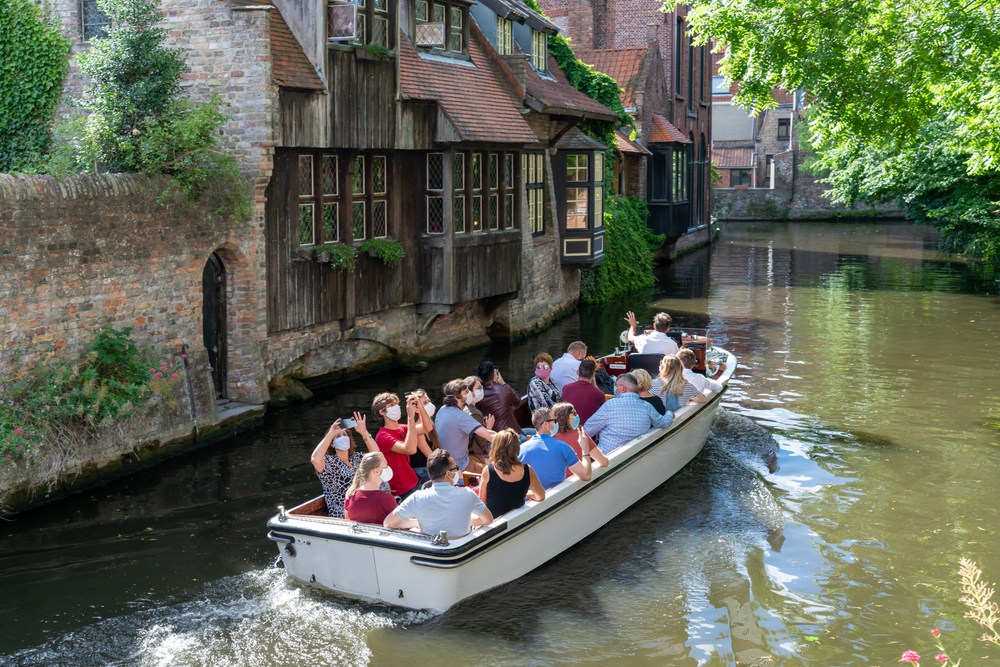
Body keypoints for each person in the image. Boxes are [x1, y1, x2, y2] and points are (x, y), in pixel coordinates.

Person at [384, 449, 494, 536]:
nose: (457, 470)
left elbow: (388, 523)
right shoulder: (468, 494)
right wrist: (460, 520)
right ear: (448, 474)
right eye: (455, 468)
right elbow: (488, 520)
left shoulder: (417, 498)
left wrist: (418, 523)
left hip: (431, 554)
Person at [584, 373, 674, 454]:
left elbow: (587, 430)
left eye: (616, 385)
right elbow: (663, 422)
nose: (614, 388)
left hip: (608, 455)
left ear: (623, 388)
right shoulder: (647, 406)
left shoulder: (610, 405)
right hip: (636, 453)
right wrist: (669, 413)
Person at [310, 411, 380, 517]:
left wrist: (364, 432)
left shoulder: (357, 458)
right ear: (332, 444)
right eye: (337, 436)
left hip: (367, 506)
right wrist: (330, 434)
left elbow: (377, 457)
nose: (342, 438)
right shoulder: (329, 462)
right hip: (344, 515)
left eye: (344, 434)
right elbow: (315, 459)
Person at [518, 408, 592, 489]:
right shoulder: (562, 446)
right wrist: (585, 449)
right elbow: (586, 475)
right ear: (545, 425)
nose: (557, 423)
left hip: (533, 500)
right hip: (561, 498)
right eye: (555, 421)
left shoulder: (519, 451)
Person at [435, 378, 497, 474]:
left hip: (450, 462)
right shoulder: (460, 416)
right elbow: (487, 435)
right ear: (457, 397)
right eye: (466, 392)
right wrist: (508, 441)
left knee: (489, 461)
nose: (470, 394)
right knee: (497, 471)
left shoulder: (442, 410)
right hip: (459, 465)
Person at [477, 429, 545, 516]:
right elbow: (541, 496)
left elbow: (482, 502)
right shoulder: (527, 469)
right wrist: (525, 494)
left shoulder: (488, 471)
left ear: (496, 447)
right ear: (517, 448)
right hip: (519, 519)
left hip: (496, 523)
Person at [371, 392, 422, 500]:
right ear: (381, 412)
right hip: (401, 490)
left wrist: (420, 407)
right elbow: (410, 449)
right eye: (392, 405)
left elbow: (428, 427)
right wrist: (410, 417)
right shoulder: (382, 436)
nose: (397, 407)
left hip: (414, 481)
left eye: (397, 404)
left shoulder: (401, 427)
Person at [551, 402, 610, 470]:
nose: (576, 416)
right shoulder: (581, 436)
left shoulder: (550, 440)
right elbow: (604, 462)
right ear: (566, 417)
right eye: (574, 413)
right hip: (583, 478)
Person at [344, 452, 397, 524]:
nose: (388, 468)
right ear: (376, 471)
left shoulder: (350, 496)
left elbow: (347, 522)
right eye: (385, 466)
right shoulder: (388, 500)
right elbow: (397, 524)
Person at [475, 361, 525, 434]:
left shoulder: (478, 396)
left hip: (494, 435)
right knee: (539, 433)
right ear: (495, 374)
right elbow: (518, 401)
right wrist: (503, 383)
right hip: (511, 435)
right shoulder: (504, 389)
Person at [560, 358, 606, 426]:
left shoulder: (566, 388)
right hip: (586, 431)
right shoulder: (599, 394)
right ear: (593, 375)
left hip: (568, 428)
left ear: (577, 372)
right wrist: (595, 385)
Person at [408, 388, 439, 487]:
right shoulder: (417, 429)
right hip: (422, 471)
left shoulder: (430, 424)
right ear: (417, 409)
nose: (429, 404)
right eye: (424, 403)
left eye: (428, 401)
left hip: (430, 466)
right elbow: (430, 455)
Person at [462, 375, 495, 464]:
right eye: (479, 388)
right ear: (469, 392)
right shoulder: (474, 413)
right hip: (476, 453)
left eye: (482, 387)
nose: (481, 390)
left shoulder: (463, 408)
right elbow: (483, 442)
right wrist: (488, 427)